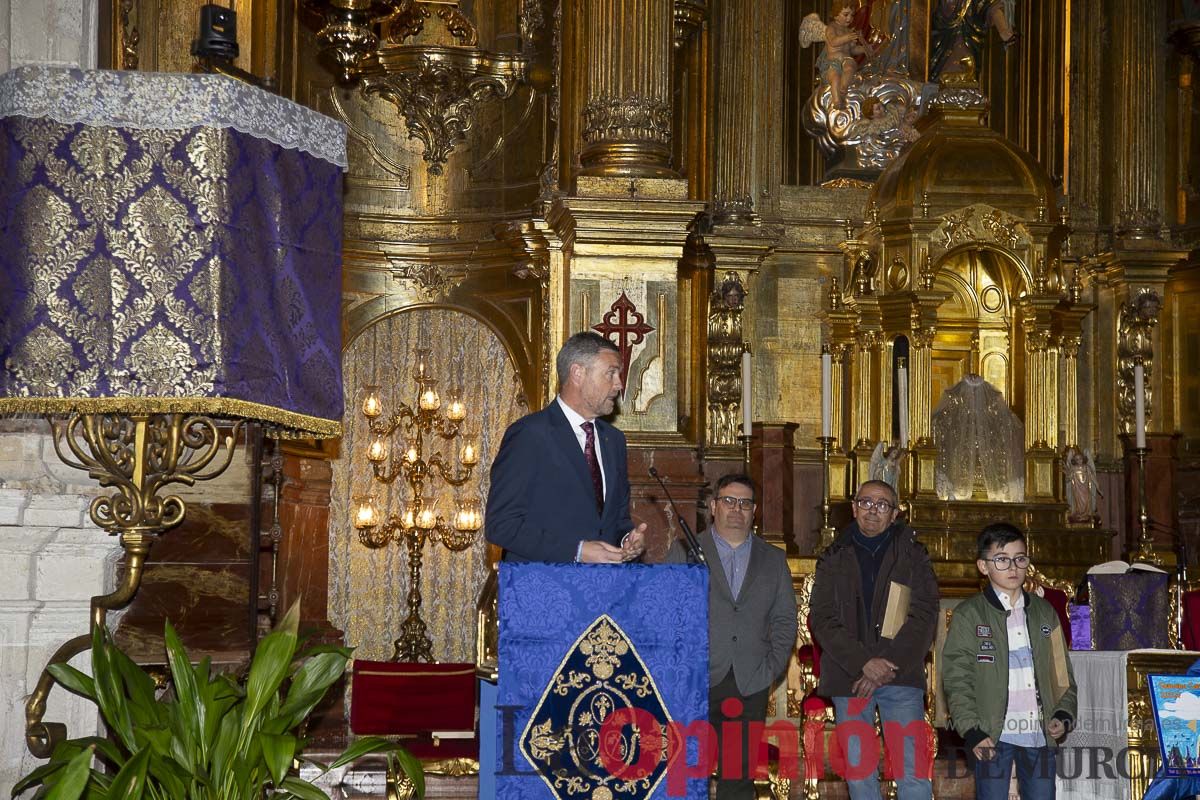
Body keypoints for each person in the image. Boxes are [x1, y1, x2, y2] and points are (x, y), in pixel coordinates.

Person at [666, 474, 797, 800]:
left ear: (754, 511)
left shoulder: (773, 559)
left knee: (738, 779)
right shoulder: (685, 550)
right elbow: (668, 615)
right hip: (697, 679)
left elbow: (784, 619)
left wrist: (771, 666)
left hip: (750, 678)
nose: (736, 509)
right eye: (728, 501)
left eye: (745, 503)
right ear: (713, 507)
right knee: (685, 774)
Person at [809, 480, 939, 800]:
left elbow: (923, 616)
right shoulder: (833, 556)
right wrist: (863, 664)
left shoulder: (913, 555)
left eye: (882, 505)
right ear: (854, 508)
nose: (872, 511)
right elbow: (822, 618)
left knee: (913, 775)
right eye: (866, 503)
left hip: (900, 674)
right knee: (859, 776)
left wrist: (882, 665)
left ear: (894, 514)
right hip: (849, 677)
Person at [941, 523, 1077, 800]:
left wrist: (1063, 713)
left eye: (1020, 558)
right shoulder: (970, 614)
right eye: (1002, 559)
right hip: (992, 731)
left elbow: (1061, 671)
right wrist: (972, 729)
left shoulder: (1043, 612)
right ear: (983, 566)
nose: (1013, 567)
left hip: (1038, 731)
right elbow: (957, 678)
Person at [485, 332, 646, 563]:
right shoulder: (530, 434)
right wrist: (577, 551)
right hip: (544, 588)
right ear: (578, 373)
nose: (619, 384)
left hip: (601, 588)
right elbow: (501, 525)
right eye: (611, 373)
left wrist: (627, 540)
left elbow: (616, 520)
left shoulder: (614, 441)